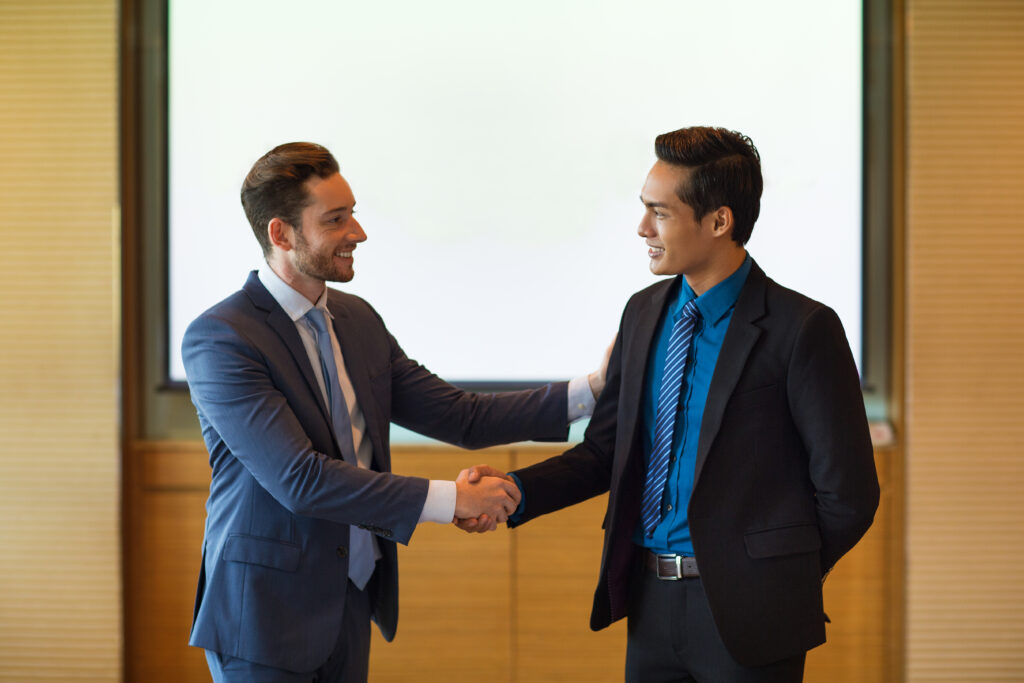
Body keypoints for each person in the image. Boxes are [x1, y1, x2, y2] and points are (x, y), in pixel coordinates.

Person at [461, 126, 879, 682]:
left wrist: (774, 575)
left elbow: (848, 493)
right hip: (650, 601)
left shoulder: (802, 329)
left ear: (719, 221)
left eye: (659, 213)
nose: (641, 229)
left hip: (751, 614)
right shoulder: (643, 313)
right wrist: (517, 493)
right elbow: (606, 451)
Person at [182, 141, 604, 682]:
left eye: (353, 213)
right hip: (263, 613)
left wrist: (594, 389)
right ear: (281, 234)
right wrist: (453, 499)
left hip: (352, 597)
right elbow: (300, 479)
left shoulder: (357, 320)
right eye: (335, 219)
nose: (357, 232)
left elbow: (461, 416)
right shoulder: (221, 338)